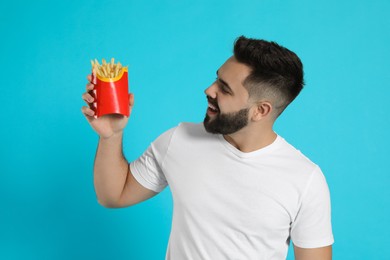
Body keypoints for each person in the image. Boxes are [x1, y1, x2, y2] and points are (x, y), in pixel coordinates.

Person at [81, 36, 334, 260]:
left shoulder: (305, 180)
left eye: (224, 89)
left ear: (261, 110)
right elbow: (113, 195)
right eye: (217, 79)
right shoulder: (179, 140)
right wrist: (111, 135)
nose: (209, 90)